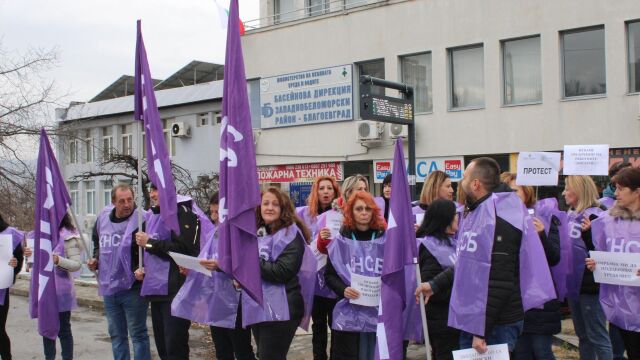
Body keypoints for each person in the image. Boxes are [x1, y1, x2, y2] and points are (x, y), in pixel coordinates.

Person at [415, 157, 555, 355]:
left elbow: (500, 280)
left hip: (495, 324)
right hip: (477, 319)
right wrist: (434, 285)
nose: (460, 184)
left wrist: (481, 331)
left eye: (464, 178)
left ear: (475, 184)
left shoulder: (500, 218)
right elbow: (467, 262)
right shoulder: (478, 212)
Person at [171, 191, 256, 360]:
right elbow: (206, 263)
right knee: (222, 350)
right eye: (212, 212)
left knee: (242, 350)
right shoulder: (213, 234)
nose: (214, 217)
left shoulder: (240, 235)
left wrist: (221, 267)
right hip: (216, 300)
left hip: (236, 302)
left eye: (218, 212)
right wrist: (192, 270)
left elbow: (246, 267)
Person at [242, 188, 316, 360]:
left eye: (275, 204)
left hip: (283, 308)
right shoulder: (259, 232)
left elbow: (281, 272)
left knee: (270, 356)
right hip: (260, 306)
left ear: (284, 209)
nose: (269, 207)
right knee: (265, 355)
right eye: (265, 203)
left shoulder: (291, 234)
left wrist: (250, 260)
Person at [133, 184, 200, 359]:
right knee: (163, 349)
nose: (152, 194)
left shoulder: (183, 213)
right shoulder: (152, 216)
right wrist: (142, 269)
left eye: (156, 190)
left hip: (175, 292)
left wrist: (150, 243)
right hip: (157, 291)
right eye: (151, 190)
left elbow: (184, 250)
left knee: (174, 349)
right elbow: (154, 255)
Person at [501, 172, 562, 360]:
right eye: (506, 192)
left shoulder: (543, 218)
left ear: (527, 192)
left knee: (542, 352)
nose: (511, 196)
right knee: (520, 354)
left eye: (515, 191)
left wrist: (541, 235)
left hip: (539, 301)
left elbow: (554, 257)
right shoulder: (499, 221)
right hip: (513, 301)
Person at [87, 184, 151, 360]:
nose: (127, 204)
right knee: (116, 335)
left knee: (138, 334)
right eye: (122, 201)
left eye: (130, 200)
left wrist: (144, 266)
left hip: (134, 288)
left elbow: (153, 248)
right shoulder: (103, 218)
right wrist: (96, 259)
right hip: (110, 288)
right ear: (113, 201)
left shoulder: (142, 219)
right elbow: (98, 242)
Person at [323, 191, 387, 360]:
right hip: (348, 311)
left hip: (377, 310)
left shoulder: (385, 239)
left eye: (367, 208)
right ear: (351, 212)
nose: (364, 212)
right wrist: (343, 290)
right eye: (359, 209)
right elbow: (329, 275)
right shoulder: (340, 240)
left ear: (374, 211)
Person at [587, 166, 640, 360]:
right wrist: (598, 264)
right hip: (623, 306)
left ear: (637, 192)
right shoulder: (609, 219)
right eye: (615, 188)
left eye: (621, 188)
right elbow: (605, 251)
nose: (615, 193)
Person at [563, 175, 612, 360]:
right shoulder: (570, 214)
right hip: (574, 285)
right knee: (583, 336)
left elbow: (604, 252)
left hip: (592, 286)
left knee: (597, 336)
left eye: (568, 188)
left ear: (579, 191)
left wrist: (590, 234)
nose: (564, 192)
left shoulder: (598, 215)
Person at [24, 214, 84, 360]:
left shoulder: (68, 236)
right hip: (43, 290)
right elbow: (31, 266)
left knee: (63, 330)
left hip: (61, 293)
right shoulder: (36, 235)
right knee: (47, 329)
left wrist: (58, 260)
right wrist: (29, 256)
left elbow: (76, 265)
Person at [296, 176, 341, 360]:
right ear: (316, 191)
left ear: (335, 191)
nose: (325, 192)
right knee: (319, 325)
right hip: (314, 280)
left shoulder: (341, 214)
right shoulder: (304, 215)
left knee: (337, 325)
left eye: (329, 188)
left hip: (336, 278)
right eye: (321, 188)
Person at [415, 199, 460, 360]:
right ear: (445, 218)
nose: (458, 218)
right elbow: (430, 288)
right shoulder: (429, 246)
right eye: (455, 215)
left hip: (456, 317)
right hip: (442, 320)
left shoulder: (455, 241)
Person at [316, 174, 369, 254]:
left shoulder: (372, 212)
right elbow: (324, 250)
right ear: (348, 192)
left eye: (365, 189)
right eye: (360, 189)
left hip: (365, 262)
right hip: (341, 263)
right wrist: (323, 238)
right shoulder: (334, 215)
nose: (364, 192)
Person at [0, 213, 24, 360]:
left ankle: (6, 357)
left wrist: (14, 265)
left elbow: (18, 260)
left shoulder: (10, 234)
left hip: (1, 290)